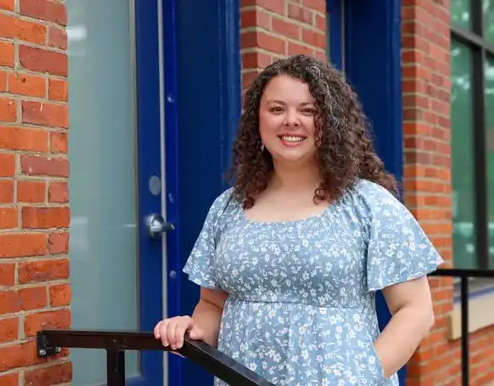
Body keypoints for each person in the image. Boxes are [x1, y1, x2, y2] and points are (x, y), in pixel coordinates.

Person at [154, 54, 444, 385]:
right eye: (277, 109)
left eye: (308, 110)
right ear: (257, 119)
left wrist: (359, 377)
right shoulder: (228, 207)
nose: (291, 120)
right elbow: (212, 303)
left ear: (330, 122)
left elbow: (416, 311)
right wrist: (194, 329)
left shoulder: (368, 204)